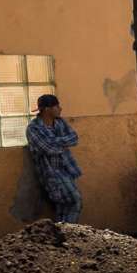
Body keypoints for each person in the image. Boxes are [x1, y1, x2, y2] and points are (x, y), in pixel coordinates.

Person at [26, 94, 82, 223]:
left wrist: (53, 141)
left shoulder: (60, 122)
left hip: (67, 170)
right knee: (75, 201)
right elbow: (49, 149)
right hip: (51, 173)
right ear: (47, 109)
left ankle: (60, 235)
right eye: (57, 106)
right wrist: (62, 143)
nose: (60, 109)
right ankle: (68, 232)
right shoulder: (33, 128)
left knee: (63, 206)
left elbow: (74, 138)